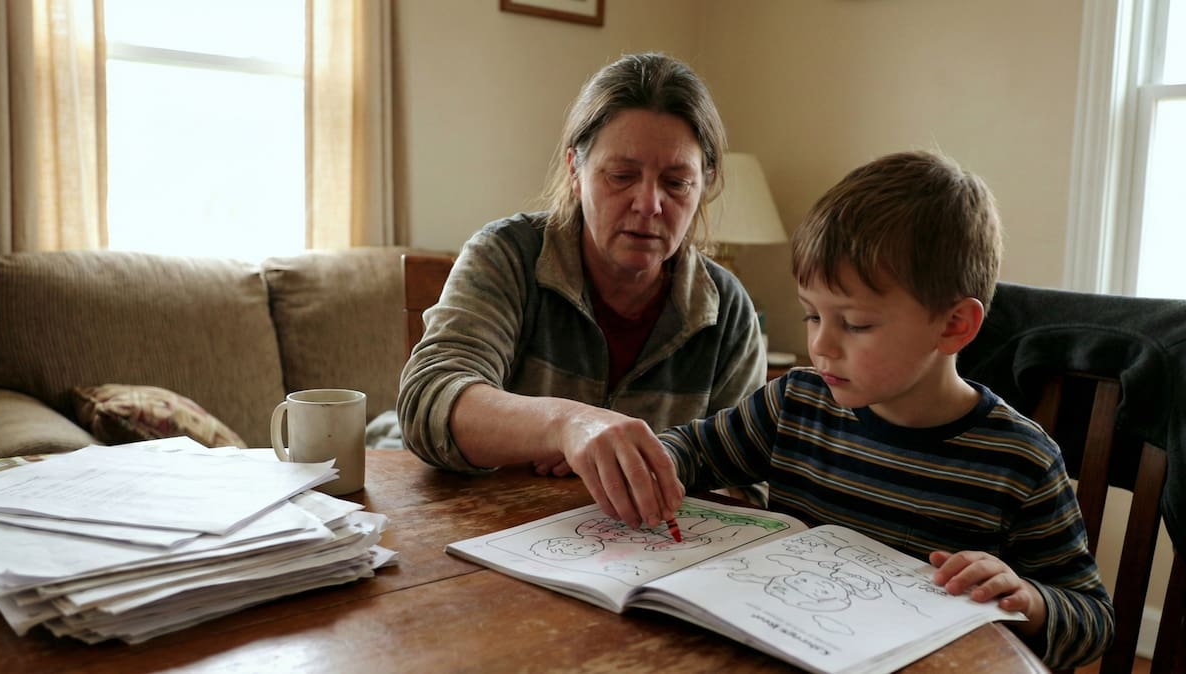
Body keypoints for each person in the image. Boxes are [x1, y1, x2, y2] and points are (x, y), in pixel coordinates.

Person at [657, 150, 1114, 670]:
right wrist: (651, 460)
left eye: (855, 324)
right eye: (811, 315)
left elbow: (1092, 620)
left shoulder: (1020, 461)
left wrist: (1028, 600)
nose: (821, 345)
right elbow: (692, 451)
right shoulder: (796, 404)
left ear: (953, 326)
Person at [398, 52, 766, 531]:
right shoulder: (508, 255)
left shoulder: (727, 309)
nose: (649, 204)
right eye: (621, 176)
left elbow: (749, 487)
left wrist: (643, 461)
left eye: (676, 182)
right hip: (491, 544)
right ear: (575, 170)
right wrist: (567, 426)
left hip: (645, 565)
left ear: (704, 185)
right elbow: (429, 398)